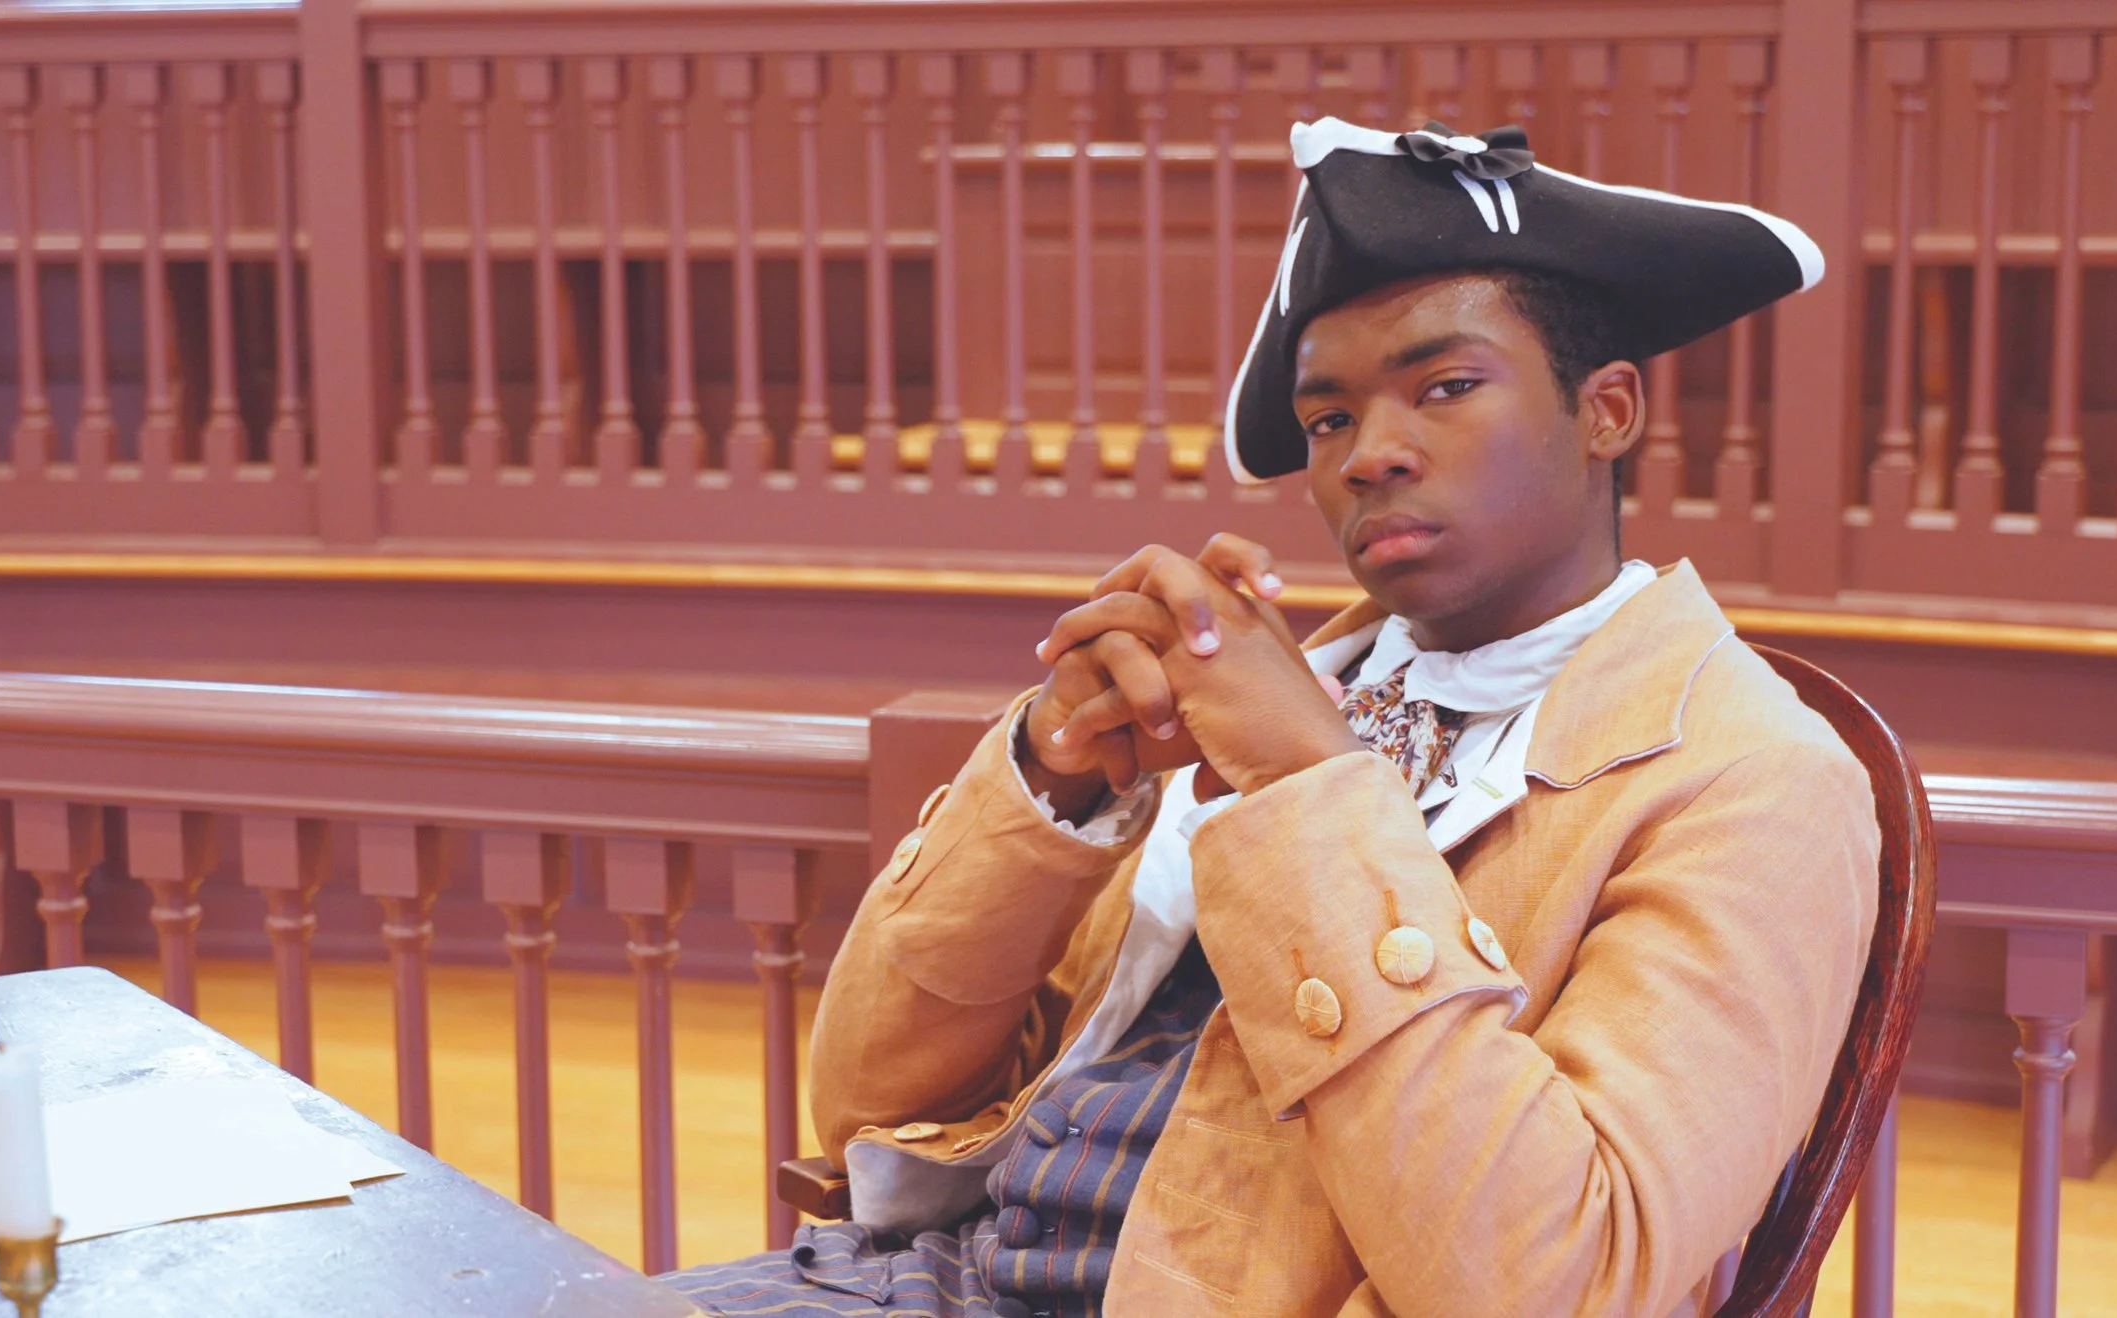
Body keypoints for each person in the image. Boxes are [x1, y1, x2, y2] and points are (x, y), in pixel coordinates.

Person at [668, 118, 1874, 1318]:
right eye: (1329, 418)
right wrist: (1057, 778)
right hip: (938, 1272)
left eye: (1444, 387)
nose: (1369, 456)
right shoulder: (1274, 679)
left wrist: (1307, 781)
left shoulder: (1751, 777)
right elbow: (865, 1103)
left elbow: (1553, 1282)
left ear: (1606, 411)